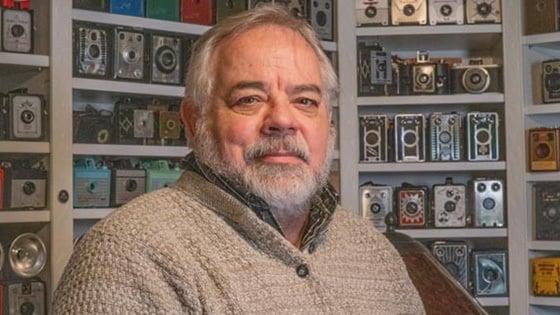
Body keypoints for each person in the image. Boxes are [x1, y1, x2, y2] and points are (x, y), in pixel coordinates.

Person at [53, 5, 425, 314]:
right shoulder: (128, 255)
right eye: (249, 98)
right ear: (193, 121)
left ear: (329, 124)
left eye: (306, 101)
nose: (282, 120)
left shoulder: (374, 251)